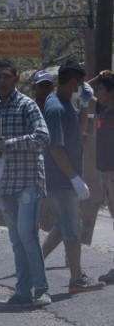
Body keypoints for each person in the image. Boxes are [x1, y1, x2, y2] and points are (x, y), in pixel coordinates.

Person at [0, 60, 51, 308]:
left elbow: (42, 136)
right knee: (17, 240)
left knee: (28, 236)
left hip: (29, 180)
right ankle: (23, 292)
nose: (2, 81)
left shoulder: (27, 105)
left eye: (6, 76)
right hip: (6, 183)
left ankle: (41, 290)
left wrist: (8, 144)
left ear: (16, 79)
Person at [40, 60, 105, 294]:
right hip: (62, 180)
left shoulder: (65, 103)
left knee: (61, 226)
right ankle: (76, 279)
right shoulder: (55, 107)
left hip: (66, 178)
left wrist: (85, 103)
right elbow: (56, 148)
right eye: (81, 85)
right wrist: (74, 180)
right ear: (74, 82)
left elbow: (79, 132)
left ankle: (34, 265)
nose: (83, 88)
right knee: (72, 229)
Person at [87, 71, 114, 283]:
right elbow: (82, 90)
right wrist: (98, 78)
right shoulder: (102, 107)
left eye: (101, 89)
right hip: (106, 171)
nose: (97, 92)